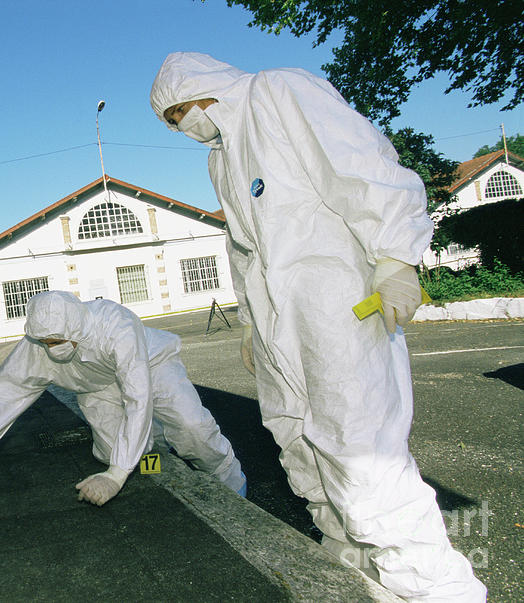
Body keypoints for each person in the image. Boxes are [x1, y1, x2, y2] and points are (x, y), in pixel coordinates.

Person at [150, 52, 486, 601]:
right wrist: (251, 324)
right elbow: (244, 250)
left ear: (197, 88)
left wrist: (396, 258)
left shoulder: (278, 92)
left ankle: (437, 591)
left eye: (175, 113)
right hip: (280, 323)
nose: (178, 127)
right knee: (296, 438)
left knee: (361, 452)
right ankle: (353, 570)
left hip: (337, 305)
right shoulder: (221, 159)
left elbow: (361, 166)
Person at [0, 290, 245, 507]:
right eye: (45, 342)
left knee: (192, 428)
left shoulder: (115, 324)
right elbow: (8, 389)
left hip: (151, 365)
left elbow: (137, 396)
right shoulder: (35, 344)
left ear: (76, 328)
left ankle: (234, 486)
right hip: (96, 388)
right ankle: (155, 460)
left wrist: (115, 477)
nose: (51, 348)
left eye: (57, 341)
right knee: (113, 452)